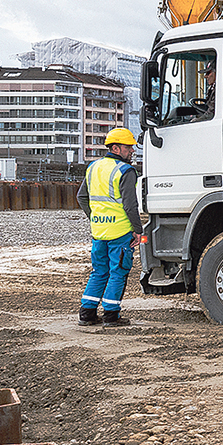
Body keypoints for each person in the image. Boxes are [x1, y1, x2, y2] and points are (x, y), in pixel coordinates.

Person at [78, 127, 144, 326]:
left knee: (99, 271)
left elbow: (82, 197)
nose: (132, 151)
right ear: (116, 148)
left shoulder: (93, 167)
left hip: (99, 232)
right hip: (120, 232)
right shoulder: (125, 171)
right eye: (128, 147)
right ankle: (111, 315)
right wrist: (138, 230)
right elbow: (130, 205)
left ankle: (87, 314)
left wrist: (95, 217)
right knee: (118, 272)